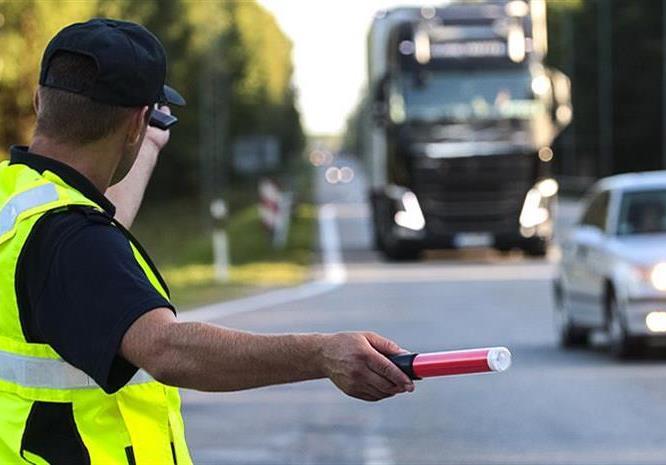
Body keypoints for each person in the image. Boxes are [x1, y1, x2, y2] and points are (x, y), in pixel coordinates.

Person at [0, 18, 413, 465]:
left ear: (41, 100)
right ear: (138, 121)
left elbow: (91, 231)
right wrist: (323, 354)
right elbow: (167, 349)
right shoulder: (72, 238)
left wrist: (147, 146)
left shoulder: (19, 203)